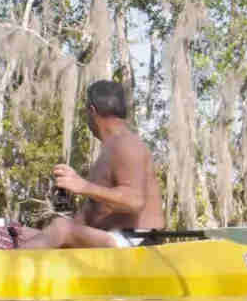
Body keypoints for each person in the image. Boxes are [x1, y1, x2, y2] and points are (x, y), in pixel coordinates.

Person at [29, 78, 163, 249]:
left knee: (60, 228)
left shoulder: (127, 144)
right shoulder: (108, 151)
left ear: (92, 111)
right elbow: (84, 221)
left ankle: (4, 264)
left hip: (138, 242)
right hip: (109, 240)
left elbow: (134, 201)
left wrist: (83, 186)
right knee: (26, 233)